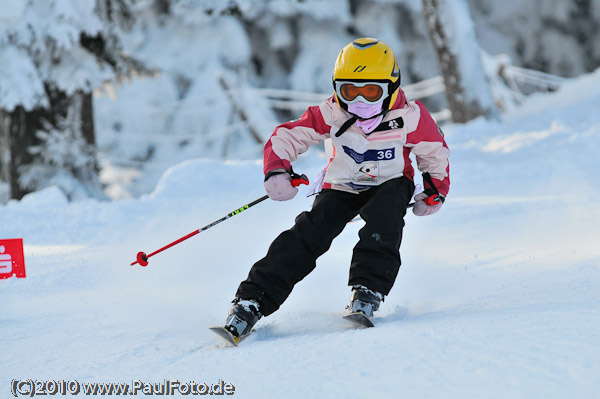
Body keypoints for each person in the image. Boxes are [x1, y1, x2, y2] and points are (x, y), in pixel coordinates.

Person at [220, 38, 450, 338]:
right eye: (349, 90)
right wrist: (277, 170)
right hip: (341, 185)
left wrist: (434, 189)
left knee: (384, 219)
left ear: (391, 87)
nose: (360, 101)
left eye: (371, 91)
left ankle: (367, 289)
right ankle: (252, 301)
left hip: (391, 181)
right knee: (308, 233)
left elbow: (434, 152)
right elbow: (288, 136)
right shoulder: (331, 112)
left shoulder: (410, 116)